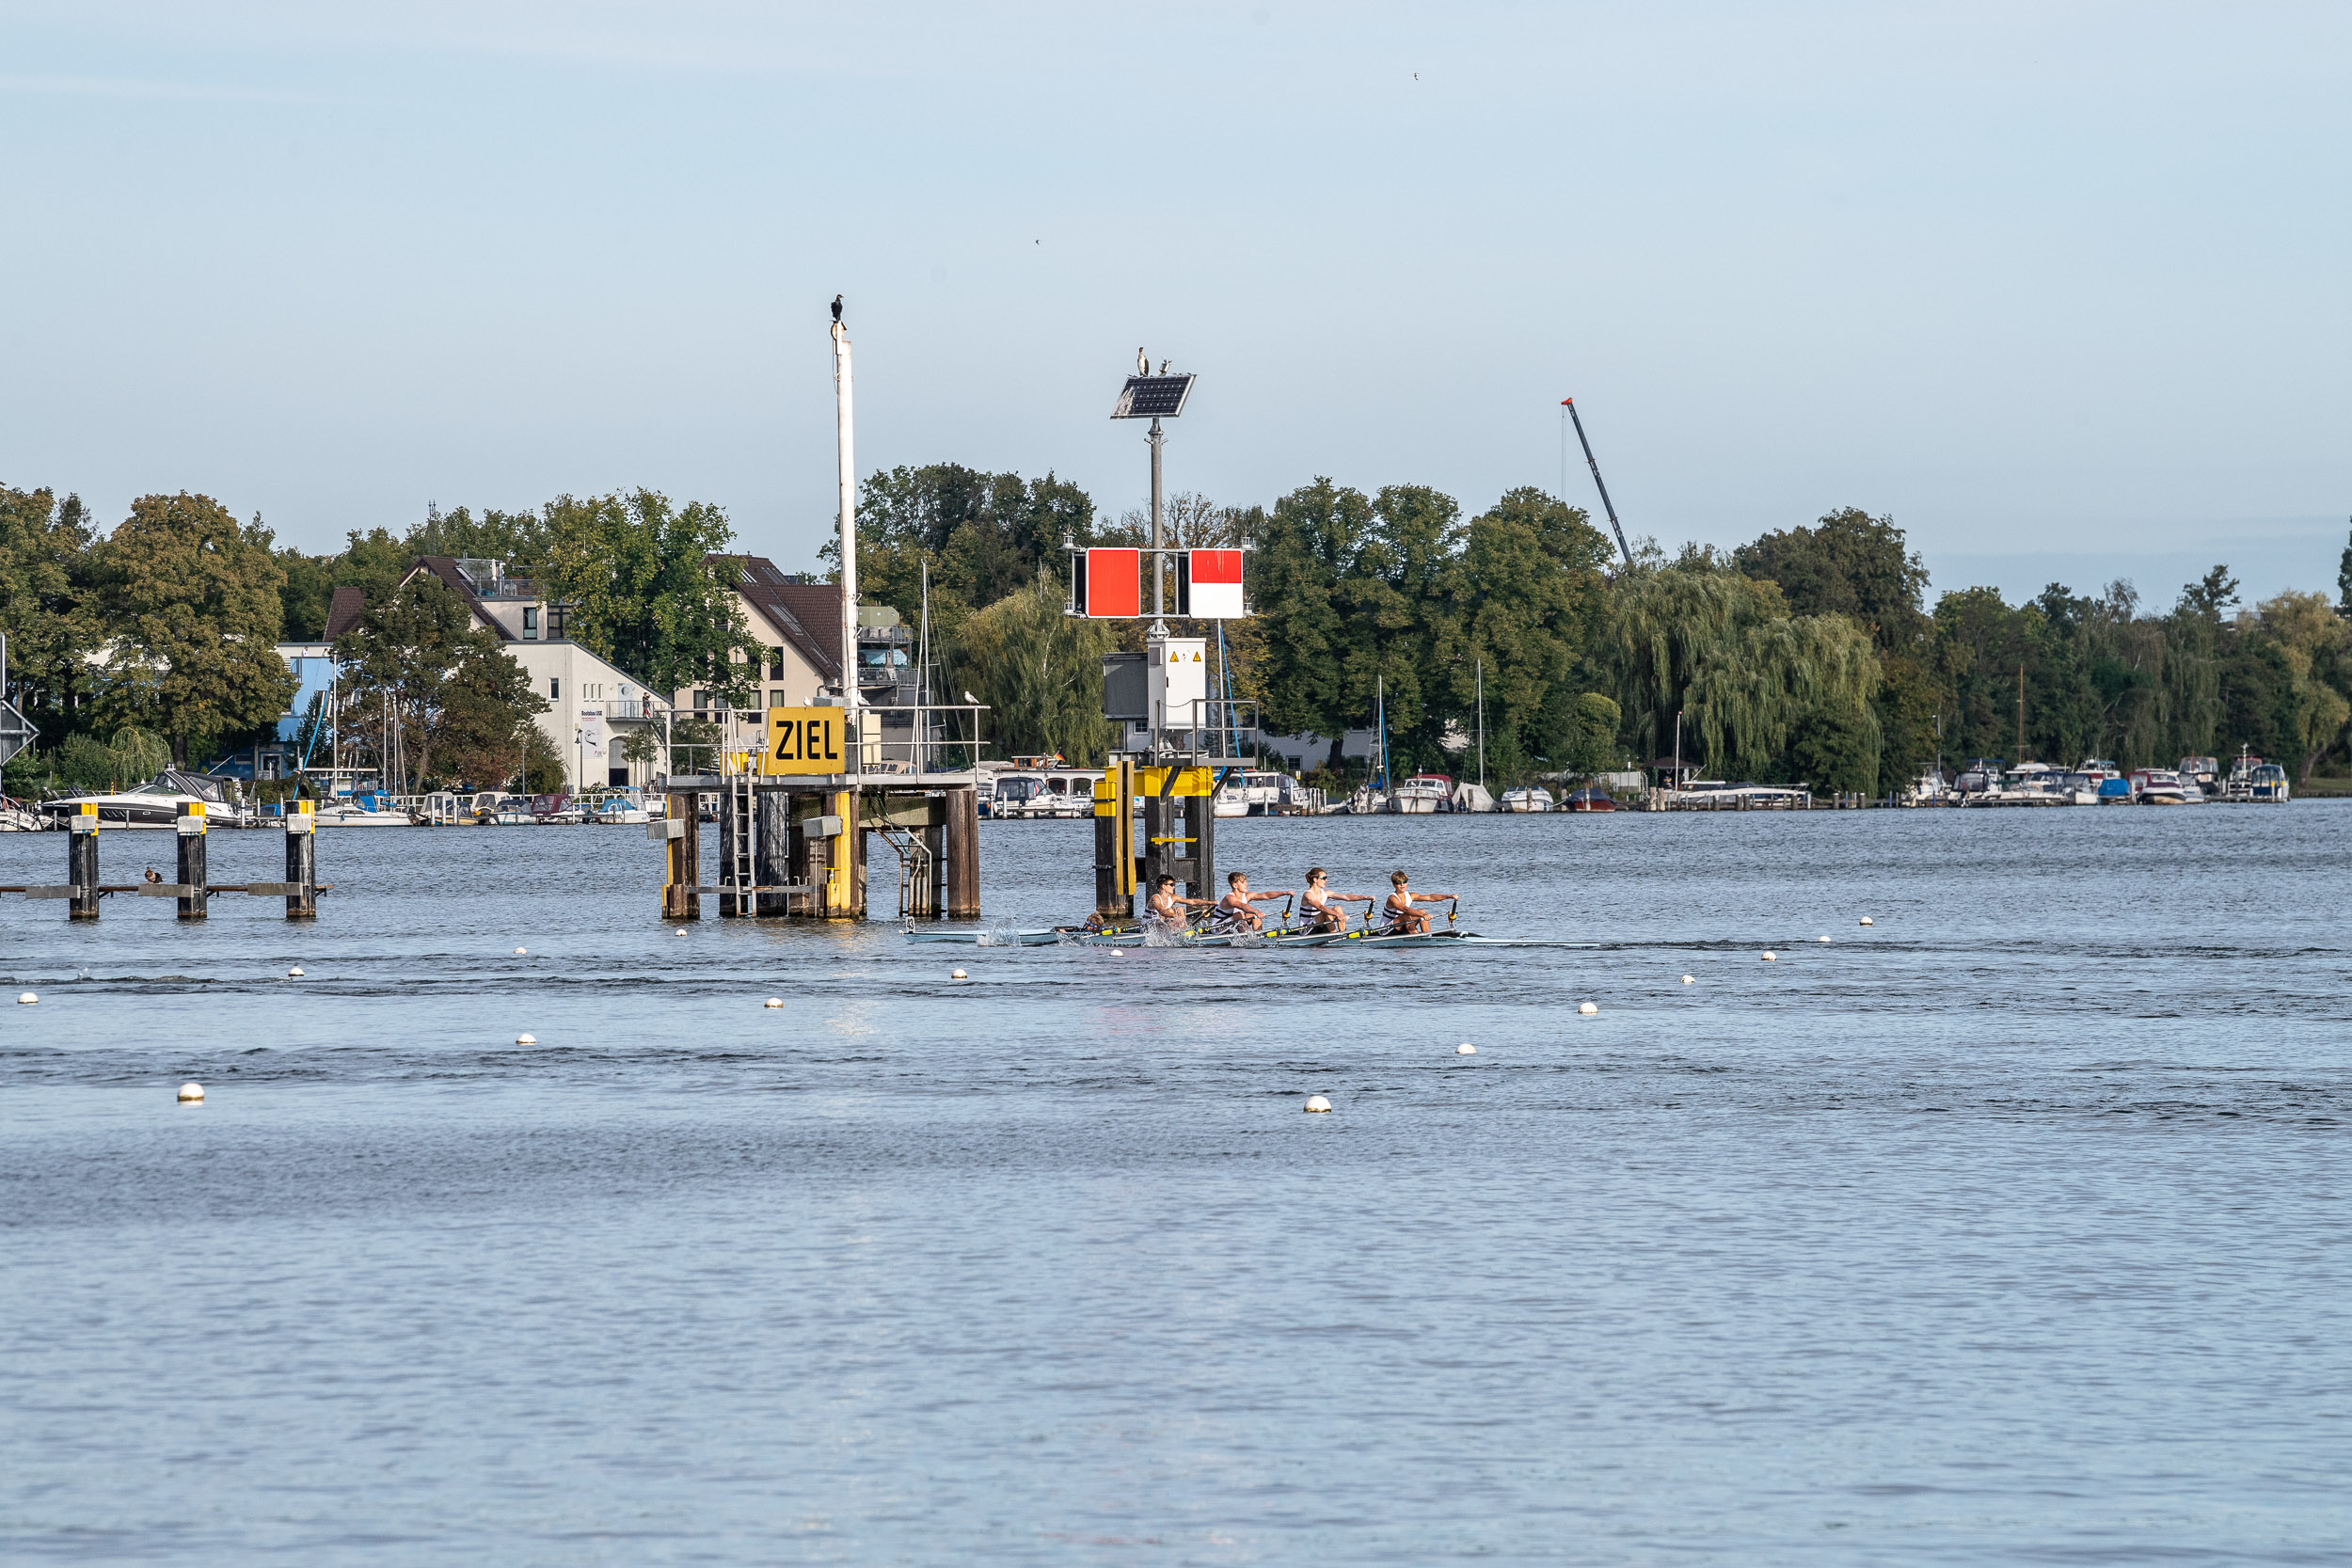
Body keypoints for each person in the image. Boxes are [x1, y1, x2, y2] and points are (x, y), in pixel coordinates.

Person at [1213, 871, 1294, 933]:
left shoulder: (1247, 895)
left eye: (1246, 882)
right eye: (1243, 883)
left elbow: (1266, 895)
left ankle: (1259, 936)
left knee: (1254, 915)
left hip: (1232, 924)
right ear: (1235, 885)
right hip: (1217, 928)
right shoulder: (1229, 898)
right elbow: (1242, 906)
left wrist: (1284, 893)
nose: (1246, 884)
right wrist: (1256, 911)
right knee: (1239, 914)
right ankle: (1250, 936)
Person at [1298, 867, 1371, 933]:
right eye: (1324, 878)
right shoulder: (1308, 895)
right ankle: (1334, 934)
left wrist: (1365, 897)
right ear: (1315, 879)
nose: (1326, 880)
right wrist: (1337, 915)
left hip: (1319, 925)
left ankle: (1343, 933)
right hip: (1306, 929)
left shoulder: (1326, 893)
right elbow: (1321, 907)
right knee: (1325, 912)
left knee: (1337, 908)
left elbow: (1346, 897)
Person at [1382, 870, 1455, 934]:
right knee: (1407, 915)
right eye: (1398, 883)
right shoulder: (1392, 898)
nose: (1402, 885)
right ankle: (1417, 937)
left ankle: (1427, 935)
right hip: (1386, 930)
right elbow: (1405, 909)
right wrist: (1422, 915)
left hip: (1401, 926)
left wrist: (1449, 896)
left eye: (1404, 882)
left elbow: (1430, 897)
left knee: (1422, 911)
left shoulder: (1411, 895)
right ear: (1394, 884)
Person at [1145, 874, 1213, 929]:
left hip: (1162, 925)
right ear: (1163, 886)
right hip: (1148, 927)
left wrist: (1212, 903)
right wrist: (1176, 916)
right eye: (1171, 885)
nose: (1174, 887)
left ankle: (1183, 930)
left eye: (1173, 885)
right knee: (1170, 912)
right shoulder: (1155, 898)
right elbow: (1161, 911)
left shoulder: (1173, 897)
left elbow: (1193, 902)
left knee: (1180, 909)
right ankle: (1175, 930)